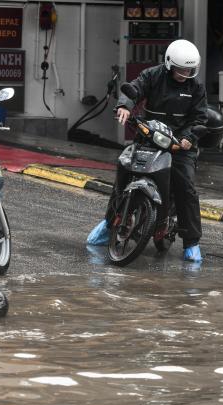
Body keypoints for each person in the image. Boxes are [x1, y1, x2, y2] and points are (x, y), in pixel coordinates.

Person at [87, 39, 208, 262]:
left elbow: (200, 117)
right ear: (169, 64)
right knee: (124, 168)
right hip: (150, 137)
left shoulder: (196, 87)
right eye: (181, 69)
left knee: (186, 187)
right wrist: (124, 105)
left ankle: (191, 242)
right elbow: (134, 89)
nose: (185, 74)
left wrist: (189, 138)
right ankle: (108, 223)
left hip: (179, 145)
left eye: (189, 70)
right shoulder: (153, 75)